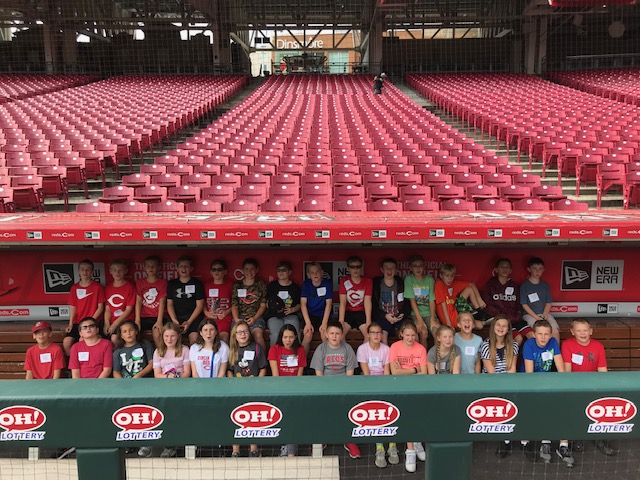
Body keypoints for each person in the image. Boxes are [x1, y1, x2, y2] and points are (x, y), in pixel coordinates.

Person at [522, 320, 572, 467]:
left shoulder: (553, 344)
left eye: (546, 334)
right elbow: (530, 374)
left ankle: (563, 445)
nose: (543, 337)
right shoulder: (529, 345)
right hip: (530, 382)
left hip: (548, 381)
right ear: (534, 334)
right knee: (543, 407)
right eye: (540, 334)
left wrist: (562, 388)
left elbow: (561, 369)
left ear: (551, 335)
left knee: (562, 405)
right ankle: (545, 441)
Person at [561, 318, 614, 457]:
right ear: (572, 332)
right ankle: (576, 436)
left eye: (585, 330)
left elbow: (602, 370)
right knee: (574, 408)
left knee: (600, 407)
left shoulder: (598, 346)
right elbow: (567, 370)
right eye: (578, 330)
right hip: (574, 384)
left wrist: (604, 388)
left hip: (593, 384)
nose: (582, 333)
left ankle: (599, 438)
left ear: (591, 331)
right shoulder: (567, 344)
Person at [310, 320, 360, 460]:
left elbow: (350, 374)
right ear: (326, 334)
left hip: (344, 387)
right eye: (331, 333)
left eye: (337, 333)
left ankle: (349, 440)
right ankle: (324, 436)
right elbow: (319, 374)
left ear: (342, 335)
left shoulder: (347, 349)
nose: (334, 336)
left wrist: (344, 391)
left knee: (349, 410)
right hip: (325, 386)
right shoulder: (322, 349)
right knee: (323, 410)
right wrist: (326, 392)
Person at [388, 321, 427, 472]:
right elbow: (395, 372)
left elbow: (425, 373)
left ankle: (417, 441)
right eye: (407, 335)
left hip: (418, 387)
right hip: (400, 387)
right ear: (401, 334)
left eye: (413, 335)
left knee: (417, 416)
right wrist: (415, 370)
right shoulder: (395, 347)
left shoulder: (421, 349)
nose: (410, 338)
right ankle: (410, 450)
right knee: (407, 416)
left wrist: (409, 370)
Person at [112, 320, 155, 459]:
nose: (128, 333)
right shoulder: (118, 351)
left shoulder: (145, 345)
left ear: (136, 331)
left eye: (130, 330)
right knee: (128, 414)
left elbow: (151, 364)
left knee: (143, 413)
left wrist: (138, 376)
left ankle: (145, 443)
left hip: (145, 384)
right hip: (127, 387)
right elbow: (116, 371)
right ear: (121, 335)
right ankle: (129, 442)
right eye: (124, 331)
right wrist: (124, 384)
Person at [357, 322, 396, 468]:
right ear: (368, 334)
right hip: (369, 384)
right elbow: (366, 373)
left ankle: (392, 446)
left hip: (384, 383)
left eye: (379, 333)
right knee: (375, 411)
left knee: (390, 408)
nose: (376, 335)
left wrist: (385, 389)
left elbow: (387, 371)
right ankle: (379, 448)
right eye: (373, 333)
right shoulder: (362, 349)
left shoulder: (386, 349)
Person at [480, 315, 520, 458]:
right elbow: (491, 372)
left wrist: (509, 387)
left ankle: (506, 439)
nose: (501, 328)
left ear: (508, 329)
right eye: (498, 325)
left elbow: (512, 369)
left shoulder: (513, 344)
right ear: (493, 328)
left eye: (504, 326)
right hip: (490, 383)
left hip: (507, 382)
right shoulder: (486, 345)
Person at [228, 320, 267, 458]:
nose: (243, 334)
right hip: (237, 389)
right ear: (235, 335)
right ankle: (235, 451)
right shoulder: (232, 350)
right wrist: (233, 384)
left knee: (252, 417)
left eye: (245, 331)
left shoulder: (256, 348)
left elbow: (263, 367)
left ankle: (253, 450)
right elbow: (229, 370)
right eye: (239, 332)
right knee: (235, 417)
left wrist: (257, 384)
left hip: (253, 388)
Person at [153, 322, 191, 459]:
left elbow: (187, 372)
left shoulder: (185, 350)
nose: (169, 339)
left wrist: (176, 378)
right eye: (166, 336)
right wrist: (168, 377)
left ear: (178, 336)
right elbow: (157, 374)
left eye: (172, 336)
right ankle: (168, 447)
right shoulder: (158, 351)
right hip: (164, 388)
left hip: (181, 387)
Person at [268, 324, 307, 458]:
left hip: (295, 390)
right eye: (285, 337)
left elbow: (299, 375)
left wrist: (294, 393)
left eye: (291, 337)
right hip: (279, 389)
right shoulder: (274, 349)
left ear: (295, 337)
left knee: (293, 417)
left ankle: (290, 450)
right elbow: (275, 375)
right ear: (281, 337)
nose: (288, 340)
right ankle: (287, 447)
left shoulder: (300, 350)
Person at [482, 258, 532, 346]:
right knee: (518, 338)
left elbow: (518, 304)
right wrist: (502, 316)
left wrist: (516, 316)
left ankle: (526, 359)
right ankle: (511, 359)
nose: (504, 269)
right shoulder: (491, 284)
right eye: (502, 267)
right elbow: (487, 304)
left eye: (507, 267)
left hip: (514, 319)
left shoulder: (514, 285)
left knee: (532, 336)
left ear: (510, 270)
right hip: (501, 321)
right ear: (496, 269)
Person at [64, 259, 105, 356]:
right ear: (78, 271)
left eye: (88, 269)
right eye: (82, 269)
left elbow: (100, 307)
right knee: (67, 342)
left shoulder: (97, 287)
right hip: (78, 322)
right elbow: (73, 307)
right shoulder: (74, 287)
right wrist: (70, 324)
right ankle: (72, 366)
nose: (85, 272)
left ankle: (85, 366)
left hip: (94, 322)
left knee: (82, 340)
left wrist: (91, 322)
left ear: (92, 272)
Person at [434, 263, 488, 331]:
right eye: (447, 276)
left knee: (469, 289)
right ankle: (473, 316)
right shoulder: (439, 284)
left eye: (452, 276)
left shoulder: (453, 283)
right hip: (451, 320)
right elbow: (443, 304)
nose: (449, 279)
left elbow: (472, 284)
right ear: (441, 276)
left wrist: (479, 299)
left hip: (456, 311)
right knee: (480, 325)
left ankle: (479, 311)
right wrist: (448, 324)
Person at [166, 255, 205, 346]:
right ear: (177, 268)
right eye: (181, 266)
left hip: (193, 318)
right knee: (170, 338)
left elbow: (200, 305)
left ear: (191, 268)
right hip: (175, 317)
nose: (184, 269)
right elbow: (169, 304)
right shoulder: (172, 284)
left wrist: (189, 321)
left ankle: (192, 360)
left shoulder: (197, 284)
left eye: (186, 266)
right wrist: (175, 320)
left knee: (194, 339)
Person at [520, 257, 560, 343]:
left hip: (544, 314)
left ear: (543, 270)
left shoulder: (545, 285)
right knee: (539, 331)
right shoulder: (524, 285)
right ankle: (539, 355)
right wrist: (536, 317)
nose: (537, 271)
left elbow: (548, 302)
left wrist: (545, 315)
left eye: (540, 269)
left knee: (555, 331)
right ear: (529, 269)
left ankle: (555, 355)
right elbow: (524, 304)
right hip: (530, 315)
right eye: (534, 268)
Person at [231, 258, 268, 349]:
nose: (249, 271)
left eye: (252, 269)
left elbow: (263, 306)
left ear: (257, 270)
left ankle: (263, 362)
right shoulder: (237, 285)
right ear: (243, 270)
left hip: (256, 317)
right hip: (240, 317)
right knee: (235, 336)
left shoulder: (261, 285)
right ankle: (233, 361)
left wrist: (254, 318)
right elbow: (234, 305)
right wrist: (237, 320)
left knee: (258, 335)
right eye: (247, 269)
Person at [372, 257, 409, 345]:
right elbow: (373, 305)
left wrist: (402, 314)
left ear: (396, 270)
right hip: (383, 317)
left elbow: (407, 302)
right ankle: (387, 358)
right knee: (383, 334)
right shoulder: (376, 284)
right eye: (386, 267)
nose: (389, 270)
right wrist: (385, 315)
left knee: (408, 332)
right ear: (381, 269)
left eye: (392, 268)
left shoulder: (401, 283)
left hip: (399, 317)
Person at [403, 255, 438, 346]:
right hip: (416, 314)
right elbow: (412, 301)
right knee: (423, 333)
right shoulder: (409, 279)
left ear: (424, 267)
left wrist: (432, 319)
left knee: (438, 333)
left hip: (429, 314)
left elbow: (432, 300)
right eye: (415, 266)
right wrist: (420, 320)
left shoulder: (430, 280)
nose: (418, 269)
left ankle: (438, 359)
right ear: (410, 268)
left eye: (420, 266)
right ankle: (423, 358)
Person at [266, 261, 302, 347]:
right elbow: (266, 303)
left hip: (290, 315)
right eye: (279, 270)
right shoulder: (272, 286)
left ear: (290, 272)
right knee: (275, 334)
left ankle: (296, 356)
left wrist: (292, 309)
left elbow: (300, 304)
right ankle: (273, 358)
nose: (281, 273)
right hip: (274, 316)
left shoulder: (295, 287)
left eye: (284, 270)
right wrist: (274, 308)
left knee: (295, 333)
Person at [135, 255, 167, 347]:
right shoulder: (140, 282)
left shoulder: (163, 282)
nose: (151, 268)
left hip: (157, 316)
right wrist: (137, 320)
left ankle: (160, 355)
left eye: (153, 266)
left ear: (158, 268)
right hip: (143, 316)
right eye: (148, 266)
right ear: (144, 268)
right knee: (134, 332)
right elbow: (138, 301)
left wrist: (159, 320)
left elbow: (162, 302)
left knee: (157, 333)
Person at [338, 255, 372, 339]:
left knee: (369, 336)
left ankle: (362, 353)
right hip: (348, 313)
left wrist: (368, 321)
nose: (355, 269)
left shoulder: (368, 281)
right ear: (348, 269)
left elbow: (367, 302)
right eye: (352, 267)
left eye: (358, 266)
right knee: (340, 335)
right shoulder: (344, 281)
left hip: (361, 313)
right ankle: (345, 352)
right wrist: (341, 321)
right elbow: (342, 303)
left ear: (361, 267)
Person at [104, 259, 136, 346]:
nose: (117, 273)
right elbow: (107, 309)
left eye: (120, 270)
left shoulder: (130, 287)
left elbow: (129, 309)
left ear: (125, 271)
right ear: (110, 271)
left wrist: (114, 324)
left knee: (114, 338)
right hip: (112, 321)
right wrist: (106, 323)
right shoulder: (108, 288)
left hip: (126, 320)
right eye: (114, 270)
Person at [300, 262, 333, 346]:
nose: (315, 274)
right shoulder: (306, 284)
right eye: (312, 272)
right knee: (307, 335)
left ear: (322, 272)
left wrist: (324, 323)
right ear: (308, 274)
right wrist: (308, 323)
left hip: (323, 315)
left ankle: (326, 358)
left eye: (317, 271)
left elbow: (329, 304)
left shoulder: (327, 284)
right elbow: (303, 304)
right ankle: (302, 359)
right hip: (310, 315)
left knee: (324, 335)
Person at [203, 259, 233, 345]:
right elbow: (202, 302)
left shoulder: (231, 284)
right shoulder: (206, 285)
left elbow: (236, 303)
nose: (217, 272)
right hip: (209, 317)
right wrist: (206, 312)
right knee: (207, 337)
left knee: (224, 338)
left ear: (225, 271)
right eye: (214, 269)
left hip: (224, 317)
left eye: (220, 269)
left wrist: (227, 312)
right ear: (210, 272)